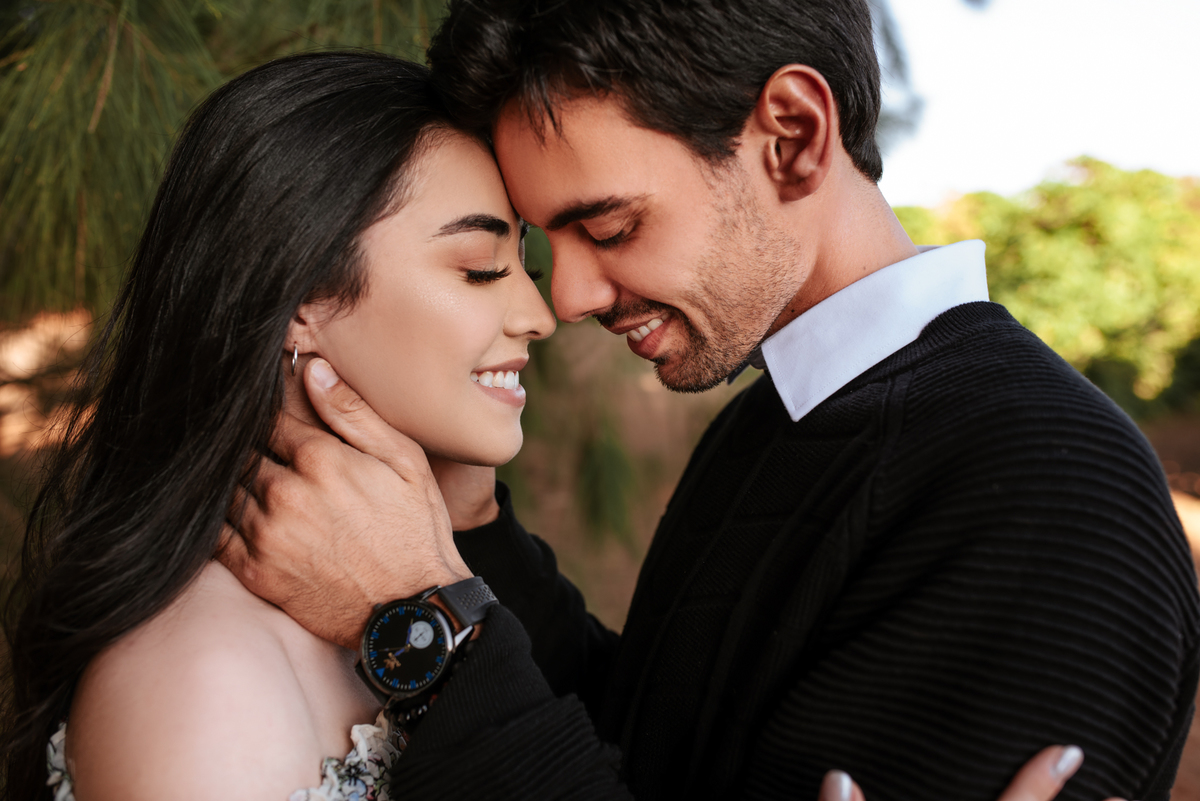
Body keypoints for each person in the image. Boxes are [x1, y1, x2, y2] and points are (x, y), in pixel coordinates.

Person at [217, 1, 1200, 800]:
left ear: (793, 135)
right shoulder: (781, 417)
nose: (569, 298)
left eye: (610, 226)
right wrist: (470, 530)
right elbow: (656, 746)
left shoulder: (1048, 489)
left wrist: (421, 627)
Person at [0, 51, 556, 800]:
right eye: (481, 268)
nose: (540, 316)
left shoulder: (397, 592)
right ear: (302, 298)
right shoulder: (203, 692)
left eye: (526, 265)